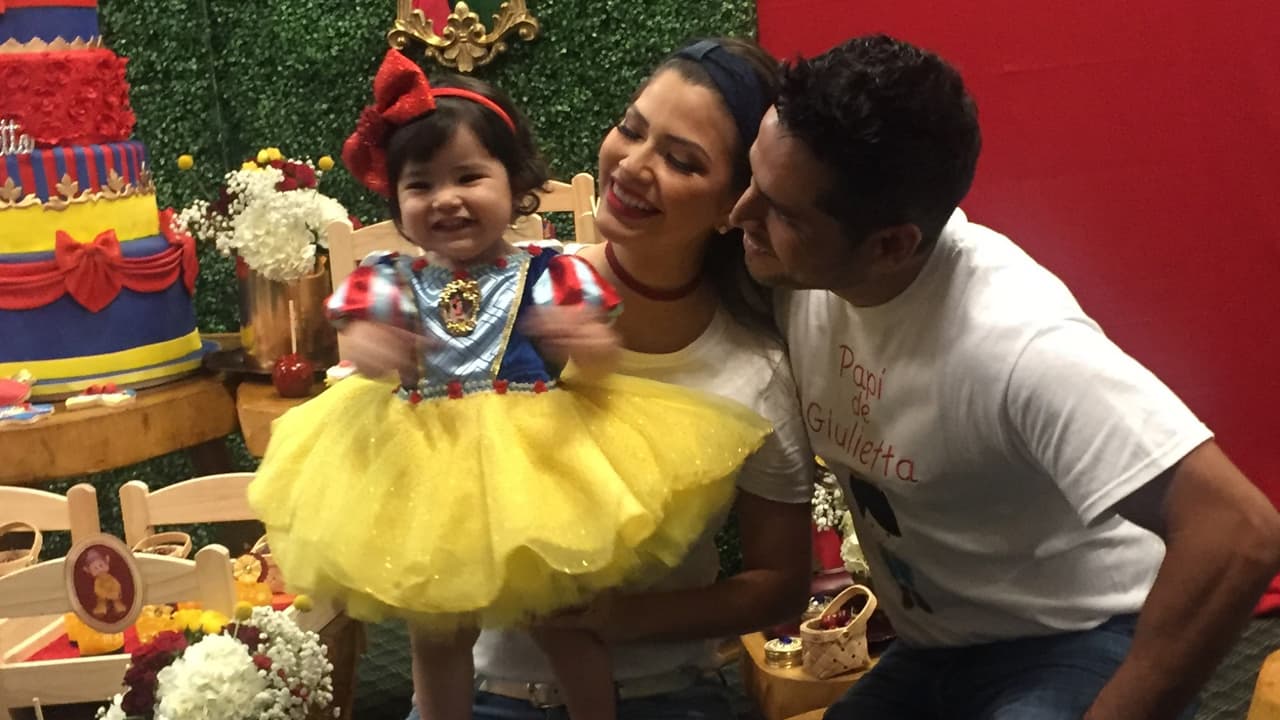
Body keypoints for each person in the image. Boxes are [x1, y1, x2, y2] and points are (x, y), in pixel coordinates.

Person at [730, 33, 1280, 720]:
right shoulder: (799, 269)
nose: (739, 214)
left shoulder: (1013, 340)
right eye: (752, 179)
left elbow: (1237, 532)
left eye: (781, 212)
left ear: (890, 245)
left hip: (1082, 636)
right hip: (938, 649)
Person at [248, 49, 778, 720]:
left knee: (564, 617)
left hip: (529, 458)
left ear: (516, 184)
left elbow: (598, 354)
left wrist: (582, 337)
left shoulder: (546, 272)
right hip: (427, 461)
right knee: (436, 628)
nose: (446, 198)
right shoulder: (390, 276)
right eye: (419, 186)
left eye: (469, 176)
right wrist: (372, 344)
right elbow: (358, 338)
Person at [432, 37, 817, 720]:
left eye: (681, 160)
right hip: (485, 692)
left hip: (664, 696)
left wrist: (621, 619)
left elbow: (780, 584)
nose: (634, 166)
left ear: (734, 205)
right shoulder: (511, 288)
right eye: (631, 130)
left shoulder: (754, 370)